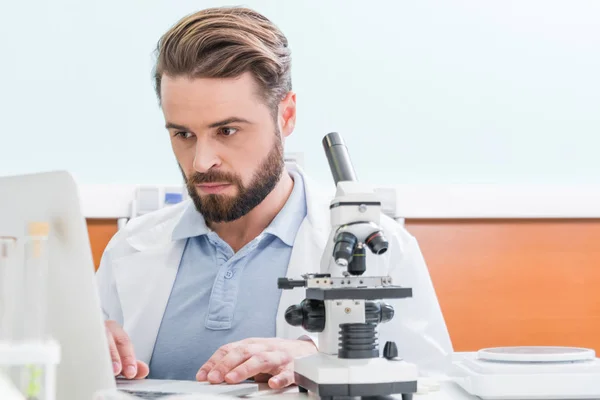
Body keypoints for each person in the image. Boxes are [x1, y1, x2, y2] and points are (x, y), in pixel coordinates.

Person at [95, 5, 453, 390]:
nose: (202, 161)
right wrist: (83, 353)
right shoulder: (130, 249)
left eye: (228, 131)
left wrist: (326, 363)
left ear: (286, 115)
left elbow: (436, 384)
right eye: (183, 134)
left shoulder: (382, 248)